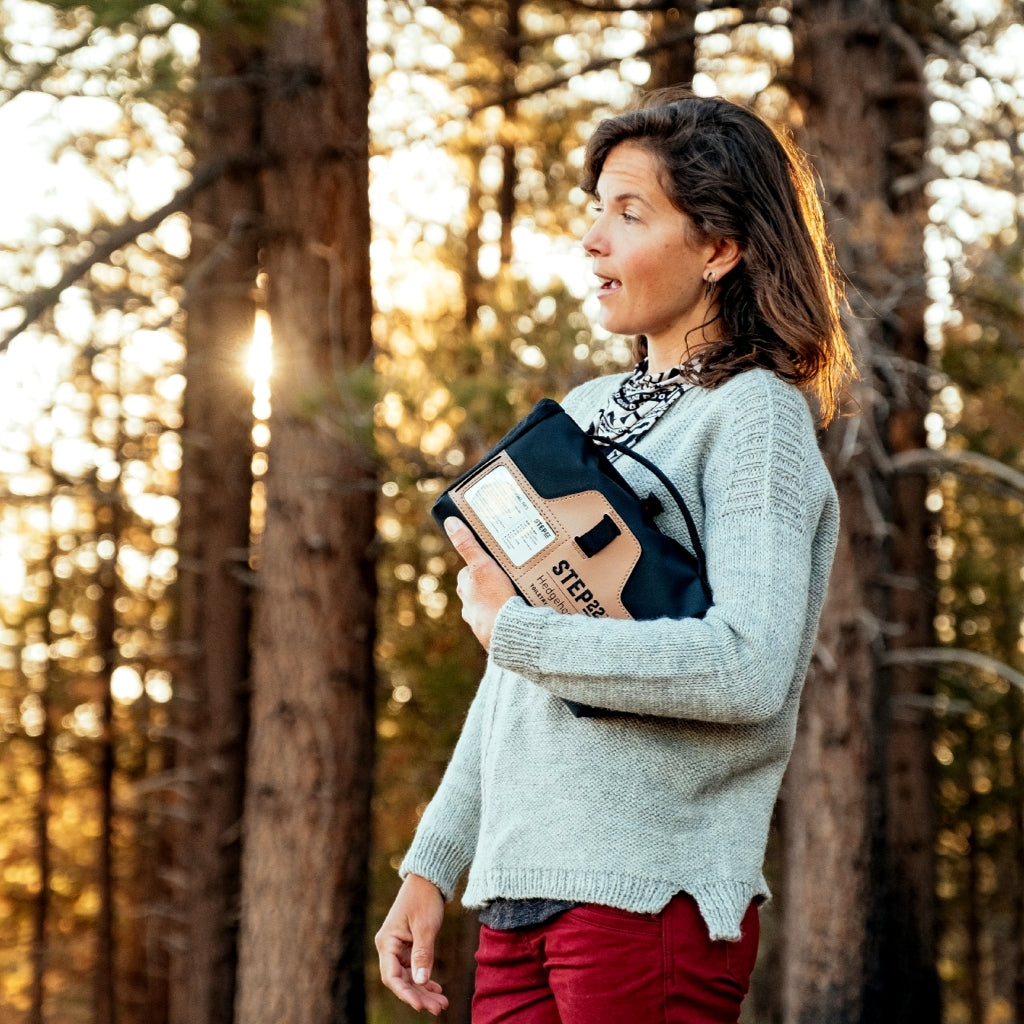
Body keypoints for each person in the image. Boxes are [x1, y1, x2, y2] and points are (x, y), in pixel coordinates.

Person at [376, 87, 855, 1023]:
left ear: (720, 247)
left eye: (629, 214)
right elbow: (517, 674)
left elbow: (749, 667)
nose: (593, 239)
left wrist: (521, 636)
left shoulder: (754, 417)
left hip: (650, 903)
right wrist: (432, 864)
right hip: (517, 901)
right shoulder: (588, 408)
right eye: (595, 210)